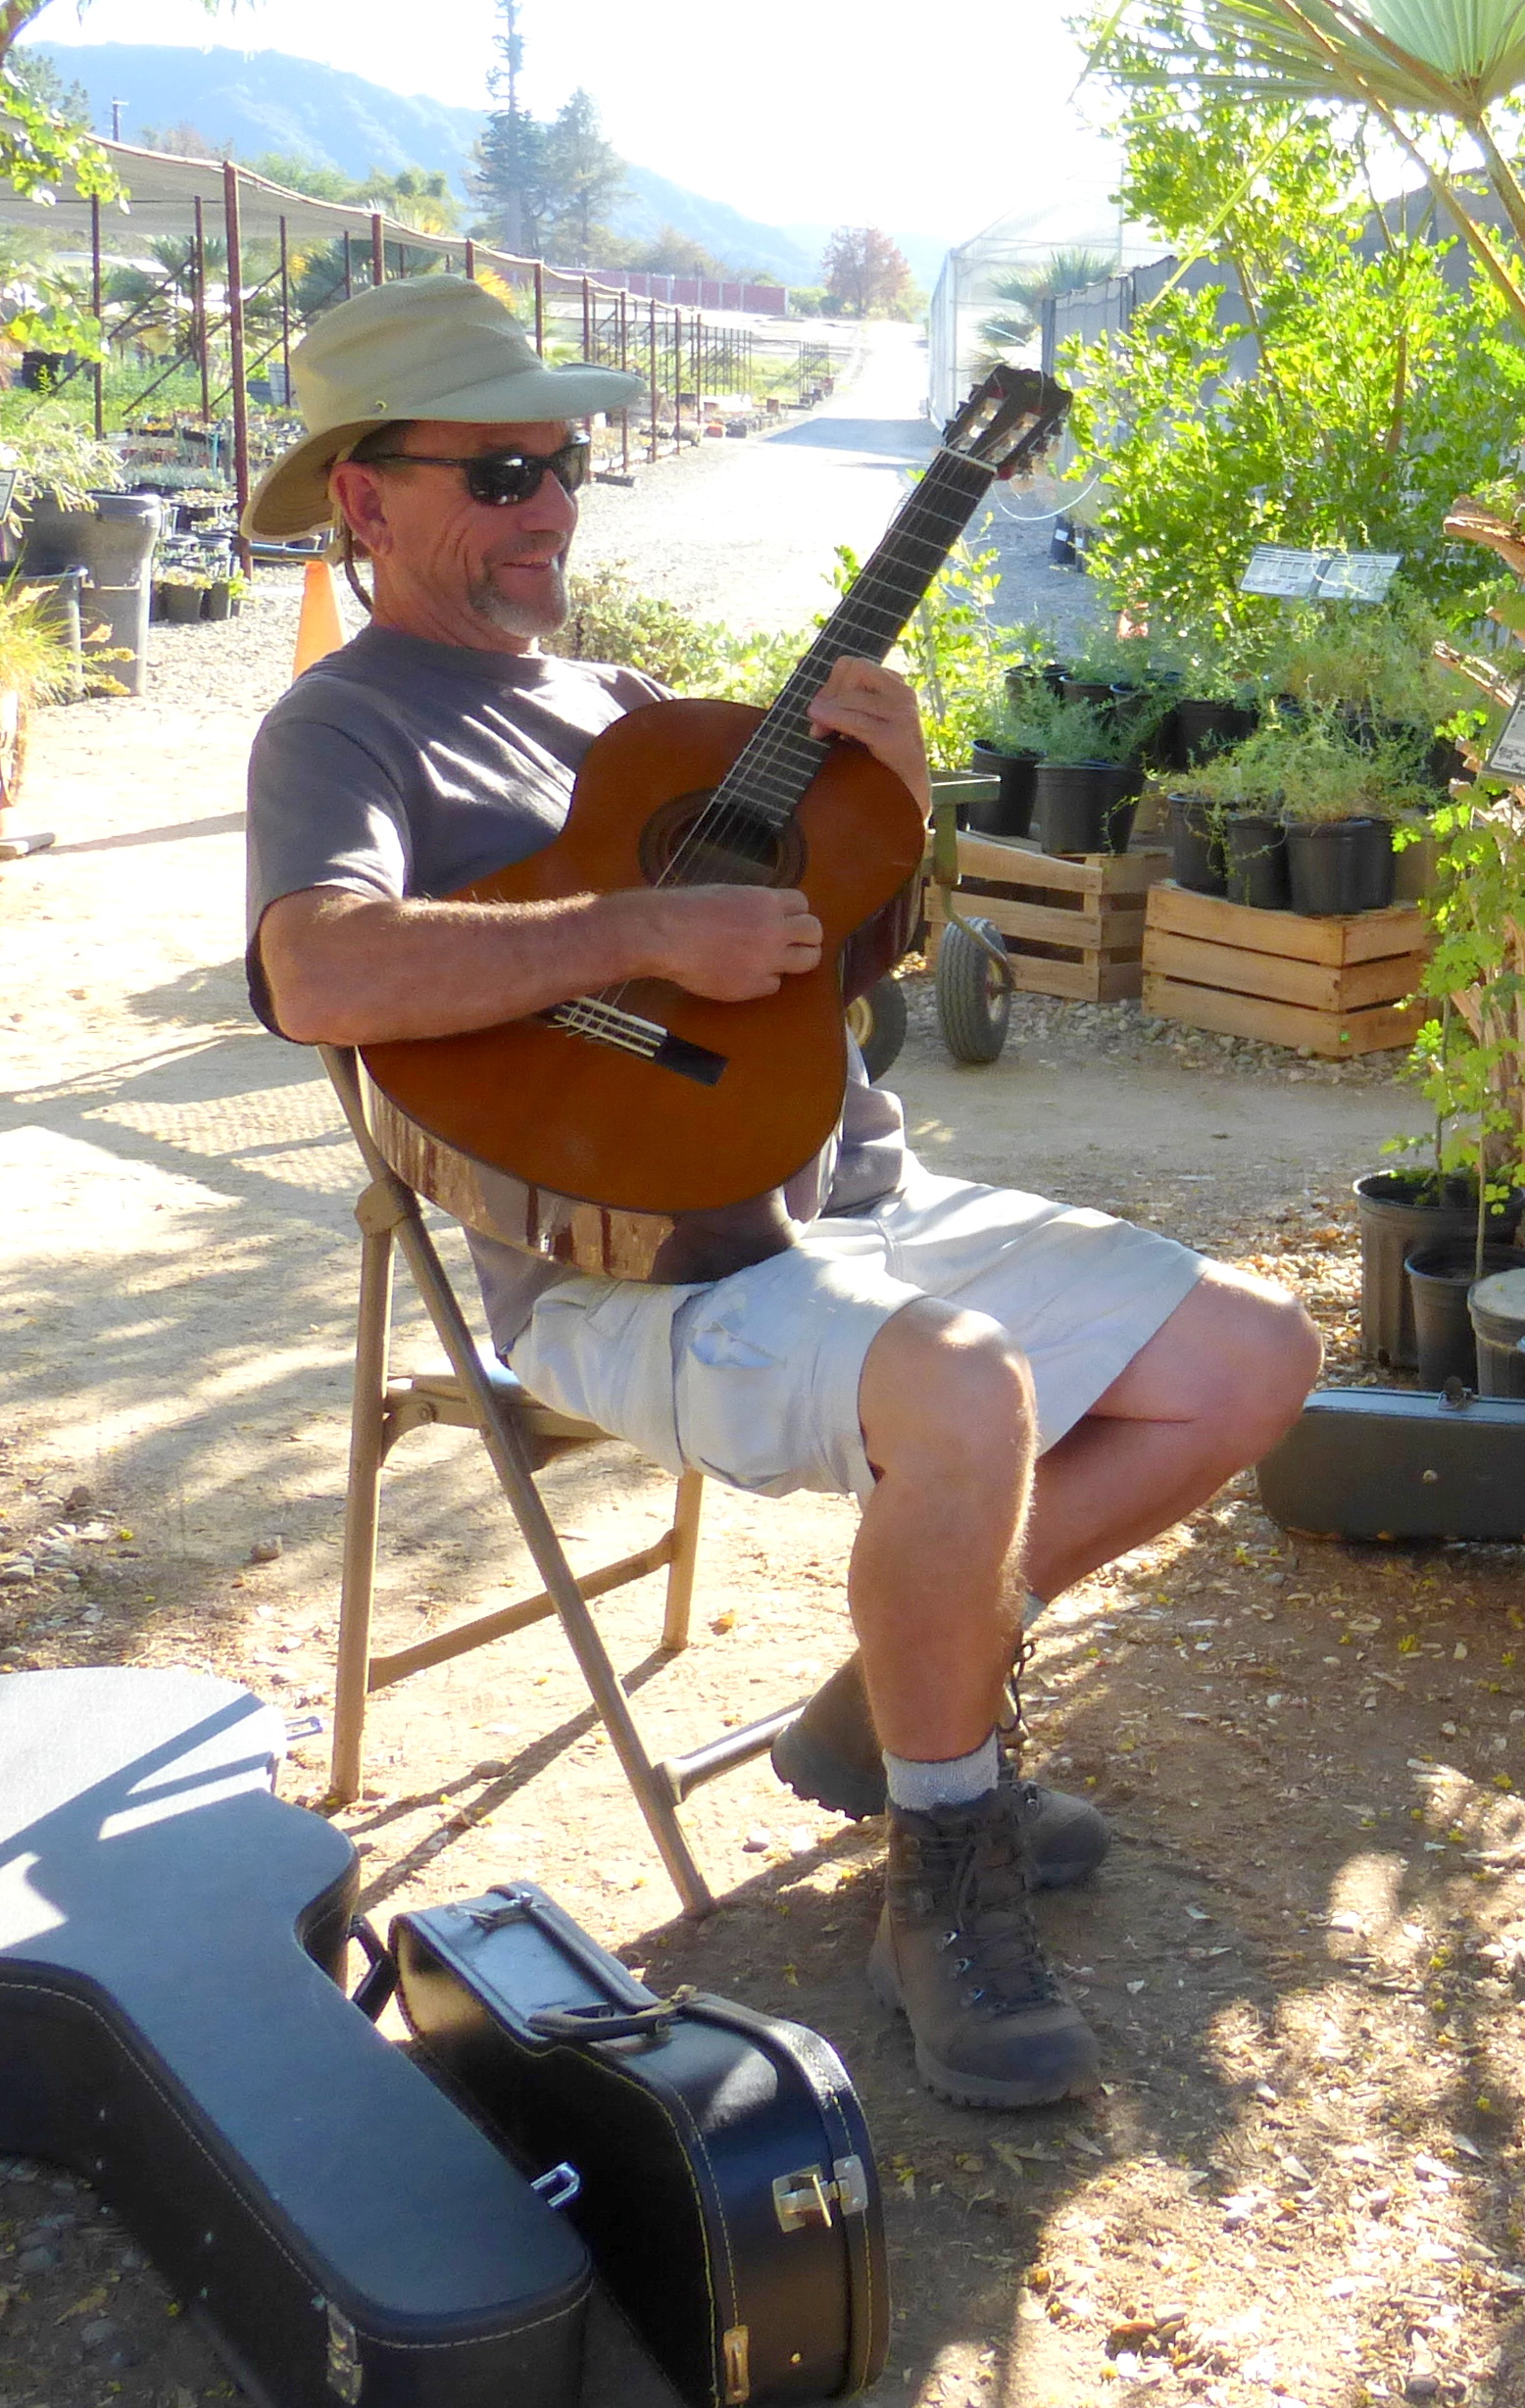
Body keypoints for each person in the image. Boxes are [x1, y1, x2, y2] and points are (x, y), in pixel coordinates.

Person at [239, 278, 1320, 2111]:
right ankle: (944, 1864)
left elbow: (821, 974)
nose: (548, 506)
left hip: (848, 1199)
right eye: (498, 472)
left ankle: (906, 1681)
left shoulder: (624, 708)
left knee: (1255, 1355)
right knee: (963, 1382)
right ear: (364, 497)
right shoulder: (341, 729)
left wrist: (898, 804)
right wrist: (644, 928)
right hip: (633, 1277)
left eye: (564, 465)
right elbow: (318, 970)